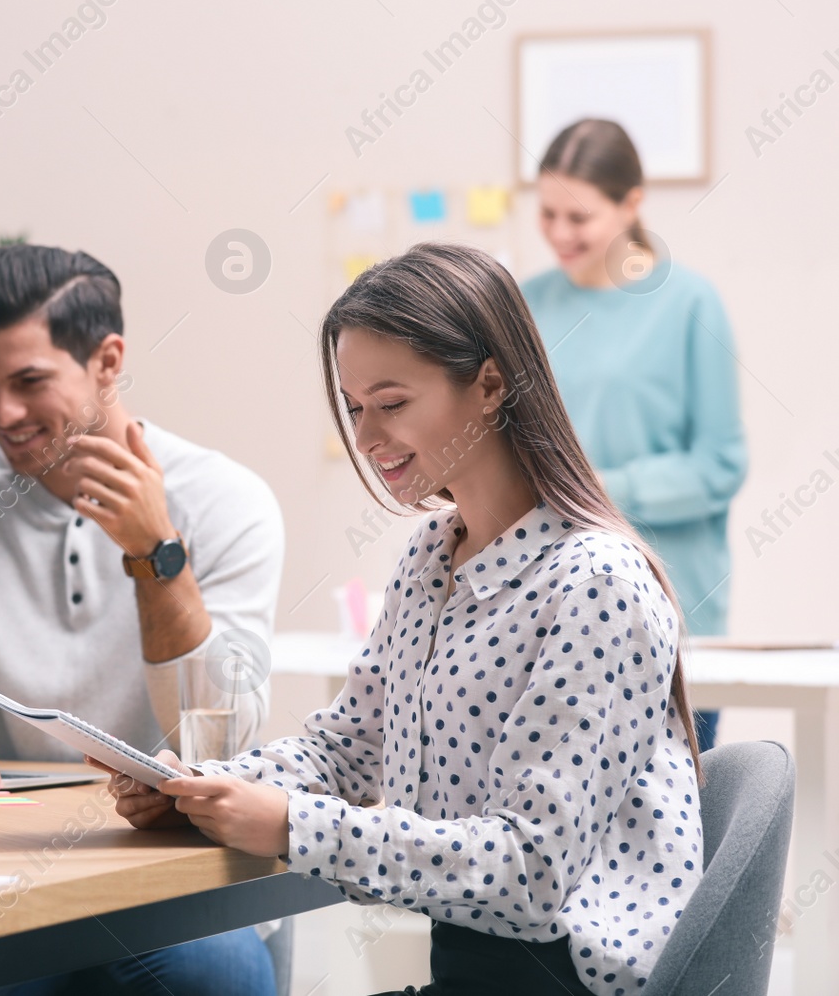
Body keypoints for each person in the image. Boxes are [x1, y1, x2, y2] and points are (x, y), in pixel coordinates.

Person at [101, 244, 702, 996]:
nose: (367, 437)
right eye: (354, 408)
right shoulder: (431, 554)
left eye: (391, 404)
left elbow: (532, 872)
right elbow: (349, 747)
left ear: (490, 384)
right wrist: (200, 787)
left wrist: (293, 824)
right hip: (471, 972)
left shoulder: (595, 582)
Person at [0, 243, 284, 994]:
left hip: (175, 872)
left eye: (29, 381)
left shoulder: (229, 500)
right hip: (2, 872)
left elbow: (223, 736)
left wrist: (155, 555)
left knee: (217, 974)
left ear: (108, 360)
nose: (2, 413)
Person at [523, 118, 747, 750]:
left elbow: (719, 465)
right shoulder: (521, 305)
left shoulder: (689, 304)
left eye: (580, 217)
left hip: (670, 609)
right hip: (546, 608)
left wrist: (591, 488)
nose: (560, 234)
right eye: (547, 214)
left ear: (632, 203)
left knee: (676, 832)